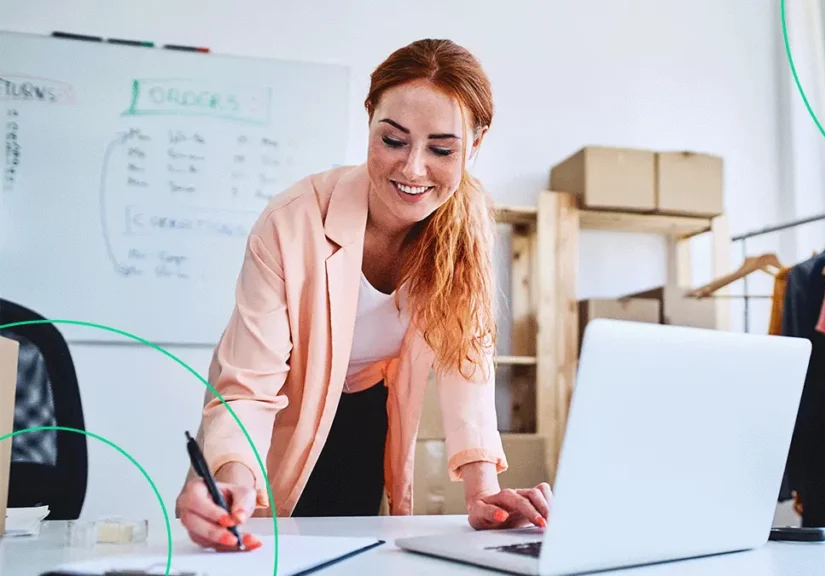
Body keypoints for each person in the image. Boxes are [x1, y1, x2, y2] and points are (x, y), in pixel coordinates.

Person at [174, 38, 553, 552]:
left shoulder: (467, 227)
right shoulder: (292, 221)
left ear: (476, 143)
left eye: (442, 150)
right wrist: (232, 474)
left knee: (348, 550)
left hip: (367, 410)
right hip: (285, 408)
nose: (413, 169)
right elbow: (249, 383)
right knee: (262, 534)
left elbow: (469, 358)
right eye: (393, 140)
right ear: (369, 115)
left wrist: (483, 491)